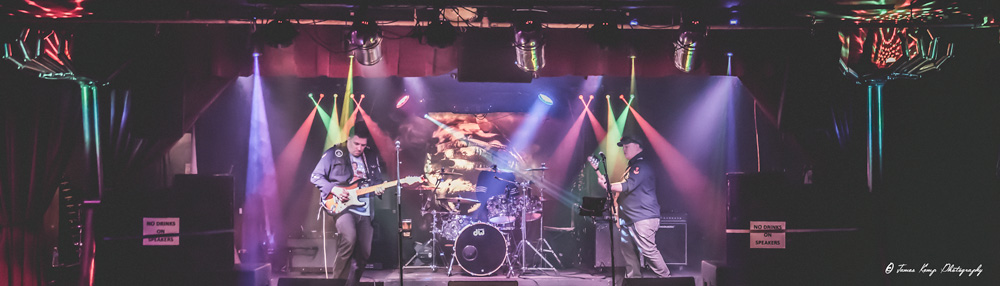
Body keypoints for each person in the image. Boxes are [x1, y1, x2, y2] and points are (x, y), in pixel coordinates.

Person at [310, 131, 386, 285]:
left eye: (363, 145)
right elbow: (316, 176)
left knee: (365, 252)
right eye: (356, 144)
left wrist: (379, 188)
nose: (359, 148)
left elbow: (378, 181)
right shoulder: (334, 153)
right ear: (349, 139)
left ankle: (352, 283)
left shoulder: (370, 156)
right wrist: (334, 189)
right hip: (342, 206)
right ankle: (337, 283)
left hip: (364, 208)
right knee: (349, 239)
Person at [596, 135, 671, 278]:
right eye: (623, 146)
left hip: (642, 218)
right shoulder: (632, 165)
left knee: (649, 251)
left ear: (638, 146)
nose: (624, 149)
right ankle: (634, 281)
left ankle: (667, 280)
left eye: (627, 145)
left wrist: (608, 186)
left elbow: (628, 185)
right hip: (629, 219)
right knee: (629, 253)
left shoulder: (641, 166)